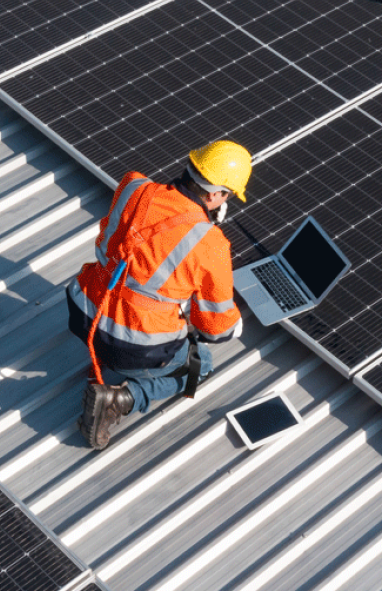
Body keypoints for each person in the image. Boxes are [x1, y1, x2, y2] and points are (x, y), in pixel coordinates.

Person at [67, 140, 250, 449]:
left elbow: (128, 252)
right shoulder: (211, 244)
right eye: (228, 194)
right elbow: (215, 329)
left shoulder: (133, 186)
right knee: (201, 365)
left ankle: (108, 366)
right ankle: (122, 399)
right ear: (215, 194)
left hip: (83, 313)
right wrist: (232, 325)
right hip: (129, 347)